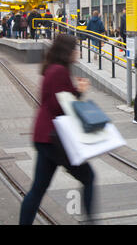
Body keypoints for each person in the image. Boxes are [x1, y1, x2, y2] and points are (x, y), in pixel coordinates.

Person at [19, 34, 95, 225]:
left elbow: (58, 100)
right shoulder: (59, 71)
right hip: (55, 138)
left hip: (45, 137)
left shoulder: (53, 69)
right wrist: (80, 91)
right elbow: (59, 105)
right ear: (67, 51)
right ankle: (90, 221)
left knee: (38, 189)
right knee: (88, 176)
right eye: (75, 48)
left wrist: (75, 91)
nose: (77, 52)